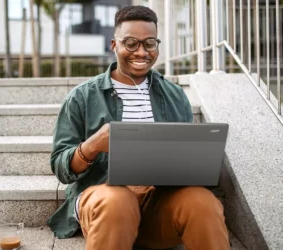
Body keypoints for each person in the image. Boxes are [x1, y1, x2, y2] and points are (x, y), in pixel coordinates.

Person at [47, 5, 230, 250]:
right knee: (118, 201)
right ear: (114, 45)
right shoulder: (81, 97)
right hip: (105, 197)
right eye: (131, 43)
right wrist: (92, 146)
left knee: (203, 202)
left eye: (150, 43)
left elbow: (187, 160)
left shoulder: (175, 96)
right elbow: (61, 166)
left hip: (159, 201)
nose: (141, 52)